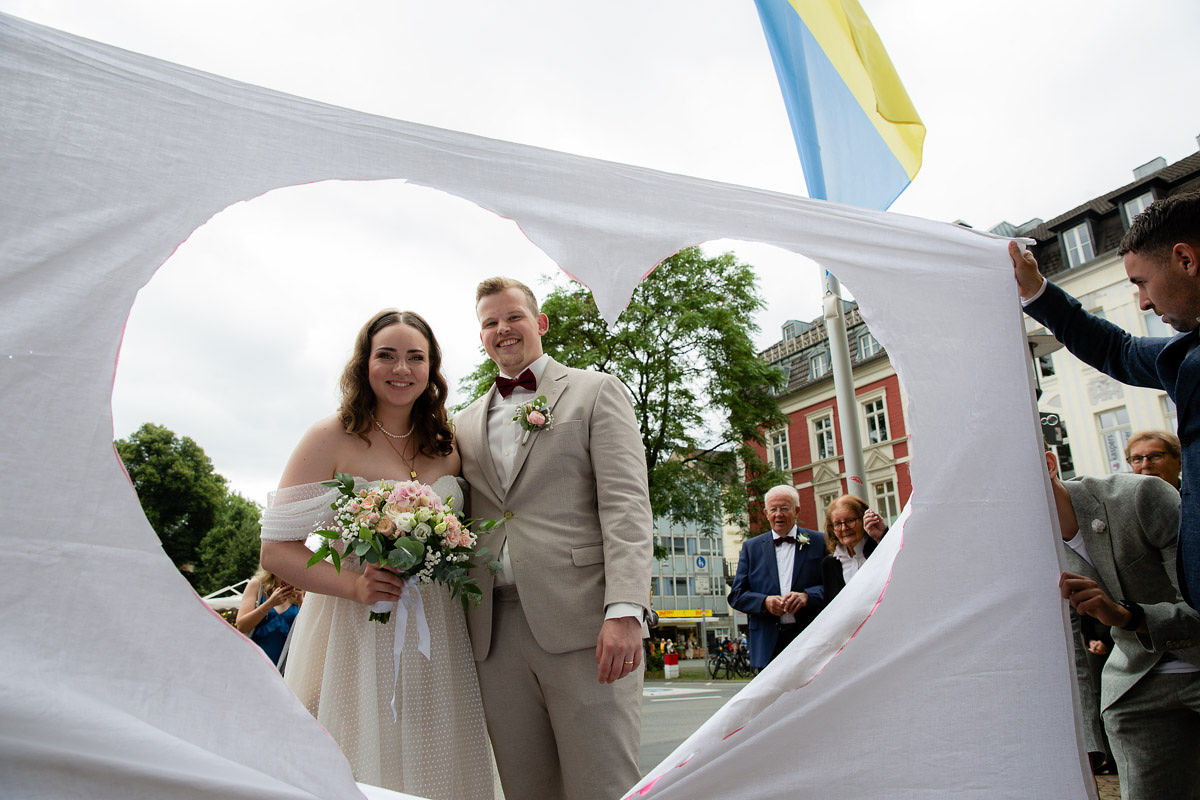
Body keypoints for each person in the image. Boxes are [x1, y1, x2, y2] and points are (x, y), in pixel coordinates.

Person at [258, 310, 493, 800]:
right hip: (356, 629)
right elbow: (276, 549)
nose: (401, 369)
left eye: (415, 357)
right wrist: (352, 584)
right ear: (364, 364)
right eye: (386, 355)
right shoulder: (330, 438)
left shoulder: (448, 445)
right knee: (360, 751)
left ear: (432, 369)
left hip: (440, 631)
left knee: (440, 755)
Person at [456, 277, 653, 800]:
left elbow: (627, 507)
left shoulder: (595, 391)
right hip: (493, 635)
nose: (503, 329)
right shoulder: (463, 422)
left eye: (513, 316)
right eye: (490, 323)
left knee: (602, 785)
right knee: (526, 790)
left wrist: (626, 610)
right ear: (481, 337)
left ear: (539, 323)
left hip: (586, 624)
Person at [1011, 191, 1200, 609]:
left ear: (1186, 260)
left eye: (1142, 283)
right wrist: (1038, 292)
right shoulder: (1187, 357)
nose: (1144, 302)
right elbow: (1120, 351)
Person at [1046, 450, 1200, 798]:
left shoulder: (1141, 496)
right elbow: (1069, 652)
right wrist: (1085, 745)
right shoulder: (1034, 551)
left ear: (1049, 464)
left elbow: (1197, 602)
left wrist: (1128, 616)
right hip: (1136, 686)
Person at [728, 485, 825, 670]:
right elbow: (736, 595)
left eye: (784, 508)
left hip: (810, 639)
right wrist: (764, 602)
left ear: (797, 510)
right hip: (767, 643)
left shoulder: (819, 541)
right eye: (773, 509)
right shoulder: (752, 548)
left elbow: (834, 587)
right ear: (766, 513)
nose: (778, 514)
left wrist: (807, 597)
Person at [819, 494, 888, 604]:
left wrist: (883, 535)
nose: (844, 528)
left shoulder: (879, 548)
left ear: (863, 520)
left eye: (850, 521)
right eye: (837, 524)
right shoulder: (829, 564)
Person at [234, 565, 302, 669]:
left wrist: (301, 603)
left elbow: (305, 634)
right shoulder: (257, 584)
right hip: (253, 664)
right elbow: (241, 625)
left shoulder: (301, 590)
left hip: (285, 668)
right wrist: (270, 604)